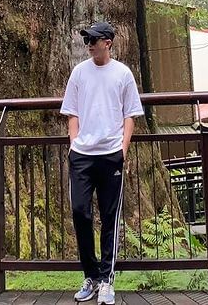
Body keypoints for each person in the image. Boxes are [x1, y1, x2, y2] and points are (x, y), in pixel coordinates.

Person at [60, 20, 145, 305]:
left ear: (107, 42)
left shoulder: (122, 73)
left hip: (111, 155)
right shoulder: (79, 73)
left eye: (94, 40)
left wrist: (123, 149)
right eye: (87, 40)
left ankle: (107, 279)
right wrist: (73, 145)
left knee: (110, 217)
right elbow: (71, 111)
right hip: (82, 155)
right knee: (80, 212)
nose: (89, 45)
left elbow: (130, 114)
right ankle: (91, 276)